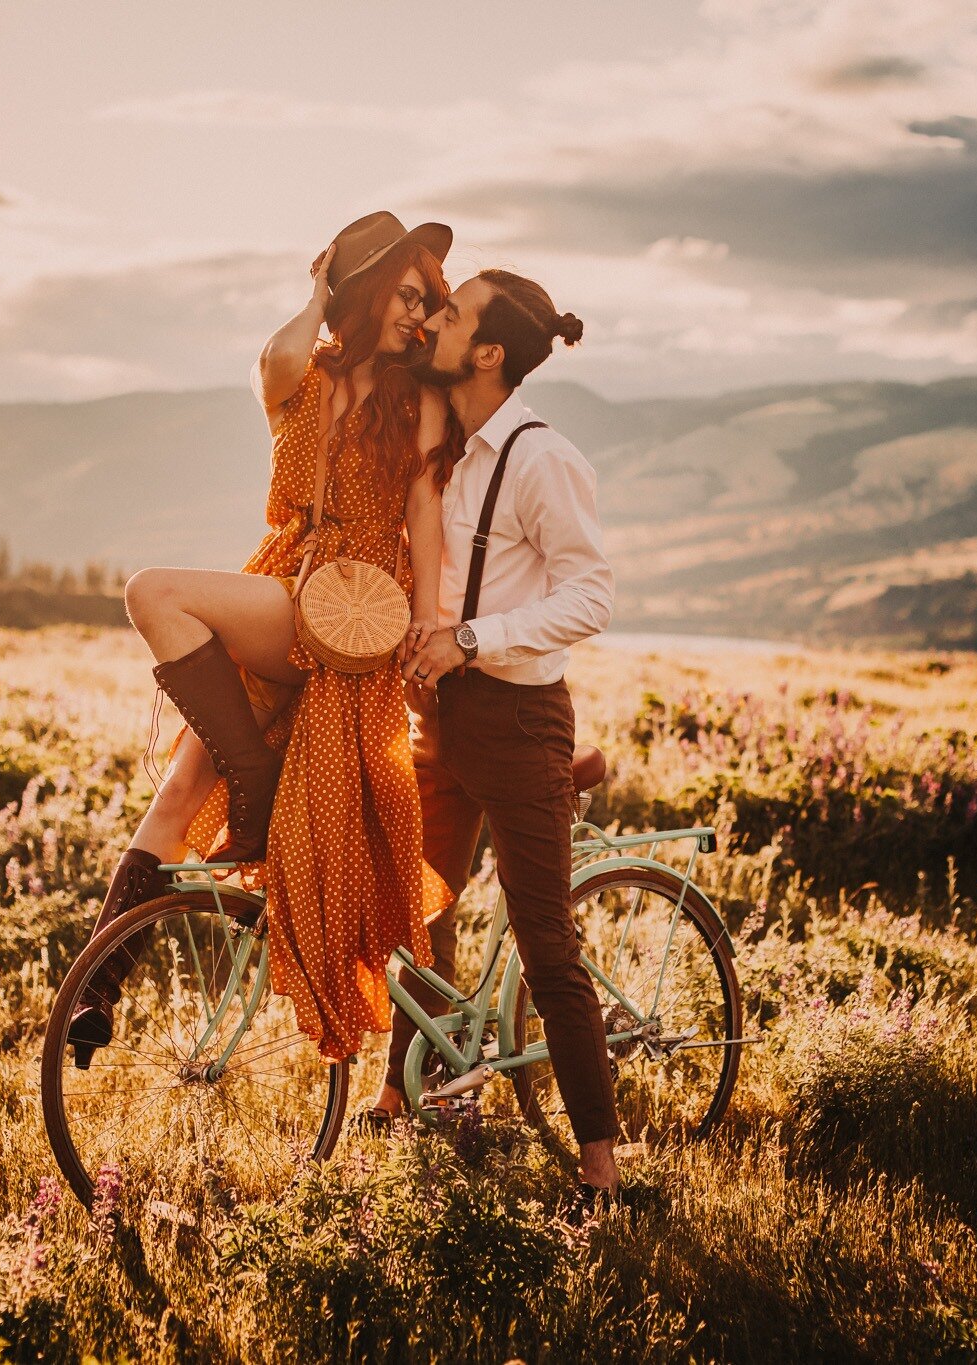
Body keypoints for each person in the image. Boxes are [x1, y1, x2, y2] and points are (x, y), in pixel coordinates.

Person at [68, 212, 457, 1065]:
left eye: (428, 301)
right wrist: (319, 283)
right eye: (405, 294)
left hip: (351, 608)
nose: (419, 315)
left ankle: (253, 779)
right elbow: (279, 356)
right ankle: (95, 991)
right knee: (172, 801)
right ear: (359, 290)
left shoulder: (418, 399)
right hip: (290, 581)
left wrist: (424, 617)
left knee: (152, 591)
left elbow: (425, 514)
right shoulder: (299, 375)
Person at [384, 268, 622, 1218]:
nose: (432, 319)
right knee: (419, 907)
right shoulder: (446, 435)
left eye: (450, 312)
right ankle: (410, 1094)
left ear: (488, 352)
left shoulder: (541, 458)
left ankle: (603, 1172)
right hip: (441, 720)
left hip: (521, 725)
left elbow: (591, 595)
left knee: (546, 944)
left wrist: (472, 640)